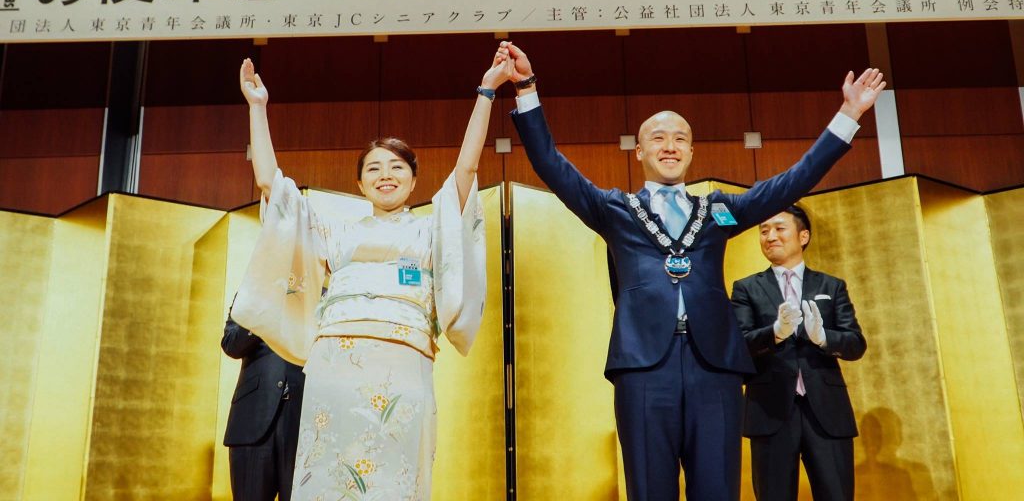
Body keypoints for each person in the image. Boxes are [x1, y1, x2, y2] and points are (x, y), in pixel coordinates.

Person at [501, 41, 884, 501]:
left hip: (715, 367)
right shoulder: (615, 210)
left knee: (718, 489)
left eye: (680, 138)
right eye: (659, 138)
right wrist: (526, 88)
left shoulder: (718, 209)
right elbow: (550, 163)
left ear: (691, 151)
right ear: (638, 151)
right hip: (644, 368)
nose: (670, 146)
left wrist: (849, 115)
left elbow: (793, 180)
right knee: (650, 489)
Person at [230, 49, 512, 500]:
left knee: (395, 474)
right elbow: (271, 185)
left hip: (405, 361)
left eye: (397, 167)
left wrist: (487, 92)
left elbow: (467, 167)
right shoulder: (334, 230)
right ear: (360, 184)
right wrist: (258, 107)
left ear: (414, 180)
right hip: (334, 364)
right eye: (374, 169)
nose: (386, 175)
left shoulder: (430, 230)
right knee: (329, 473)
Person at [731, 205, 866, 501]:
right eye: (764, 231)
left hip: (827, 411)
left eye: (779, 229)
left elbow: (856, 343)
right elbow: (737, 345)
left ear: (803, 236)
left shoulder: (831, 285)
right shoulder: (746, 288)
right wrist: (775, 332)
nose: (770, 236)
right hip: (769, 411)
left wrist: (823, 337)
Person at [222, 302, 305, 501]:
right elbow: (232, 345)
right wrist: (265, 305)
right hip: (253, 416)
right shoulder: (253, 292)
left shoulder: (324, 290)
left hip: (306, 419)